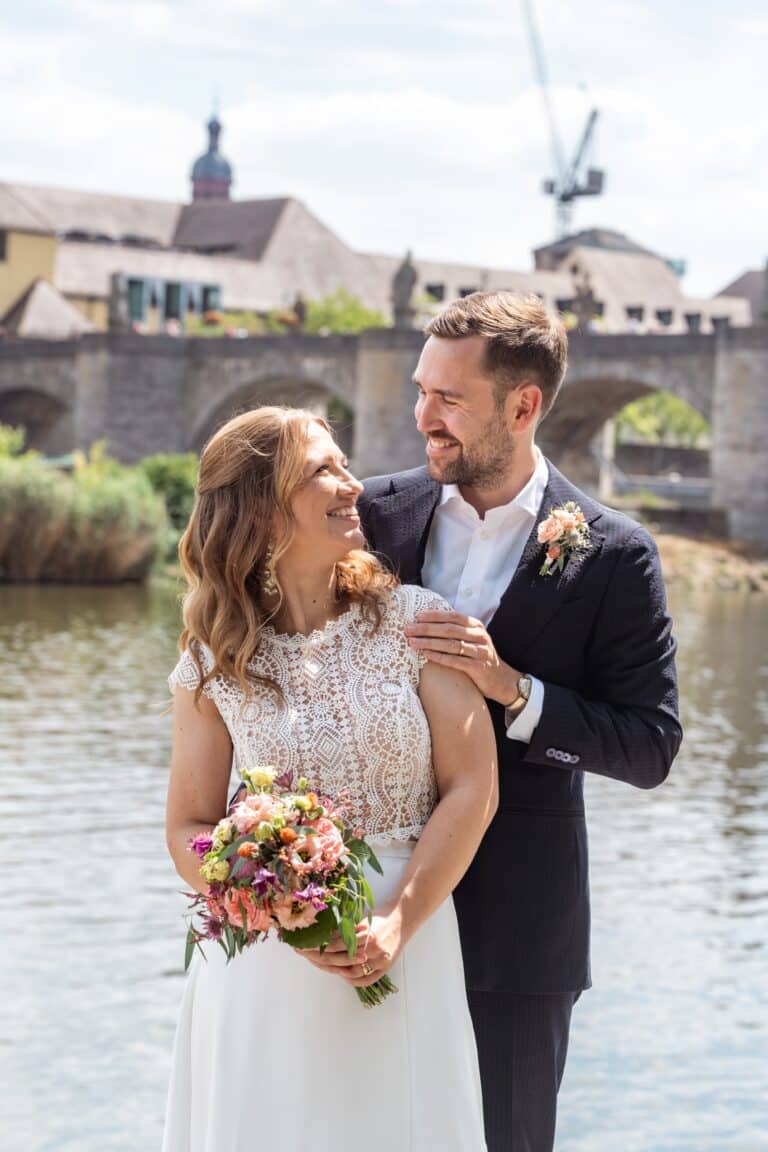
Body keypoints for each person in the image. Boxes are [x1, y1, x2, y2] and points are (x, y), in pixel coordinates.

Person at [358, 291, 683, 1152]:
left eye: (450, 399)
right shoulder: (369, 516)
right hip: (366, 902)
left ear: (524, 405)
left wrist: (514, 689)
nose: (423, 415)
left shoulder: (613, 553)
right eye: (421, 389)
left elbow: (651, 747)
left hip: (518, 933)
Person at [162, 406, 497, 1152]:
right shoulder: (211, 662)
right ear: (260, 505)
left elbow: (474, 787)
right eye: (323, 470)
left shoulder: (415, 622)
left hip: (405, 946)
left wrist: (397, 924)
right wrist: (267, 901)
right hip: (265, 965)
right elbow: (187, 826)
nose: (353, 484)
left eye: (343, 464)